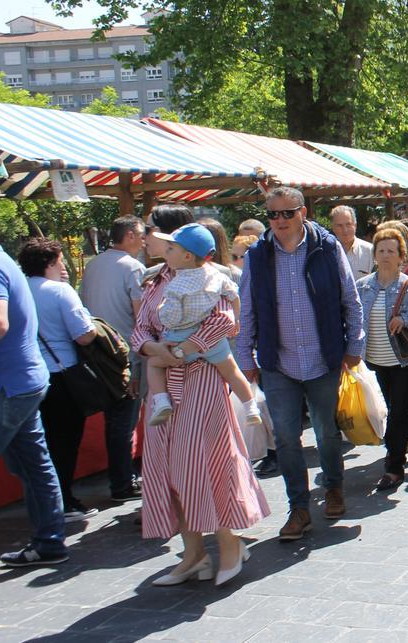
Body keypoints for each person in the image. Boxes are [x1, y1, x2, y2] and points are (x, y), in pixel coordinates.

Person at [133, 204, 270, 587]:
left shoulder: (215, 276)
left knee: (208, 462)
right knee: (166, 465)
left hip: (203, 381)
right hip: (166, 386)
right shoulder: (154, 280)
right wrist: (152, 351)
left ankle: (229, 543)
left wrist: (181, 351)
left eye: (153, 232)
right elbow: (140, 328)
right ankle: (192, 553)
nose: (147, 238)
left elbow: (226, 322)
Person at [236, 186, 364, 541]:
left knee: (326, 432)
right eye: (272, 214)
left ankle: (334, 488)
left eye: (287, 213)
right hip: (279, 361)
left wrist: (355, 344)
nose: (279, 220)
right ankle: (299, 508)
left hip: (323, 358)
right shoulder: (257, 255)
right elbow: (246, 310)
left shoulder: (326, 247)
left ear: (302, 213)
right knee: (287, 438)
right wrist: (245, 355)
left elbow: (350, 300)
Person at [0, 239, 68, 567]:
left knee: (33, 465)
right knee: (34, 465)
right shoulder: (1, 259)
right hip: (23, 380)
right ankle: (49, 542)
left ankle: (50, 540)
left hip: (8, 385)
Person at [145, 223, 260, 426]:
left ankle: (161, 400)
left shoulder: (176, 285)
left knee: (153, 364)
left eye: (171, 249)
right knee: (232, 371)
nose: (166, 252)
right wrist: (238, 318)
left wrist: (163, 309)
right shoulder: (216, 275)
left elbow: (170, 318)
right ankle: (251, 407)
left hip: (179, 338)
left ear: (187, 256)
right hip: (214, 343)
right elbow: (234, 296)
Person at [21, 238, 100, 521]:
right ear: (51, 263)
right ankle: (63, 501)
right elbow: (84, 334)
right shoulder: (60, 291)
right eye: (60, 260)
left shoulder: (16, 290)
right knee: (64, 442)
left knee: (38, 445)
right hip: (62, 375)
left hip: (27, 375)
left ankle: (43, 503)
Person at [357, 229, 408, 491]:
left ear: (401, 256)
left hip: (403, 360)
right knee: (383, 410)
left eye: (391, 251)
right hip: (372, 361)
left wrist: (405, 320)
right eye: (380, 251)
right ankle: (397, 447)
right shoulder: (363, 287)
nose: (385, 256)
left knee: (398, 410)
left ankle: (394, 466)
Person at [79, 214, 145, 502]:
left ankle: (122, 479)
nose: (144, 240)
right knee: (123, 422)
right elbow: (141, 315)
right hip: (126, 354)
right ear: (129, 235)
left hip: (97, 354)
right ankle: (122, 483)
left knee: (114, 421)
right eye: (141, 234)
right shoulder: (132, 267)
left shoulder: (93, 265)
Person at [330, 205, 374, 278]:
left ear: (355, 225)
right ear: (333, 228)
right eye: (339, 226)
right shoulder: (326, 253)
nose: (345, 230)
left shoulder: (371, 251)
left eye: (348, 224)